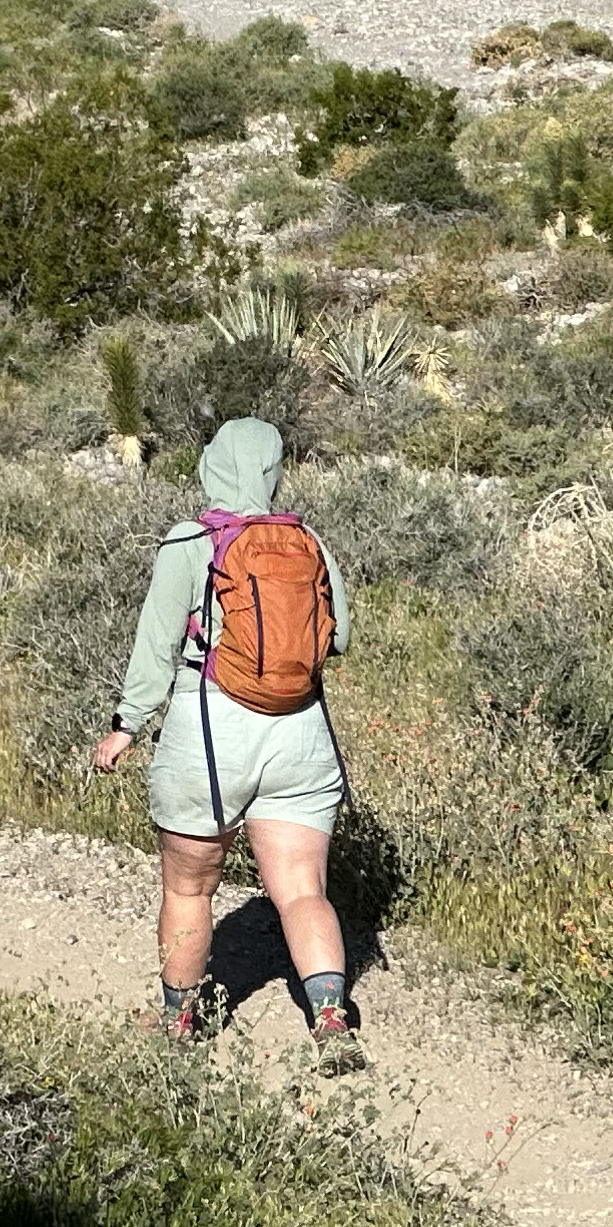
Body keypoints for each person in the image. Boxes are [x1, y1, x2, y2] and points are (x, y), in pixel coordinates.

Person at [85, 416, 361, 1066]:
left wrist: (127, 726)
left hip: (210, 733)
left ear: (213, 466)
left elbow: (155, 649)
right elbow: (339, 638)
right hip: (300, 732)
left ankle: (179, 1026)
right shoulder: (307, 541)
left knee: (189, 888)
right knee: (300, 889)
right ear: (272, 471)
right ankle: (330, 1019)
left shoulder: (191, 541)